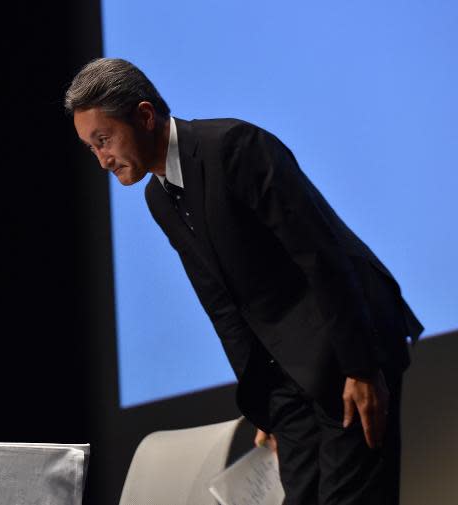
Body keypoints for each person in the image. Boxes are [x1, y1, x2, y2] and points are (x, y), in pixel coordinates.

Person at [65, 58, 422, 505]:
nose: (101, 159)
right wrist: (266, 406)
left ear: (144, 115)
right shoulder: (159, 198)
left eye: (104, 139)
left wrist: (362, 367)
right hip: (292, 374)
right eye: (90, 148)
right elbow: (223, 307)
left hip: (352, 344)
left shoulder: (233, 147)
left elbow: (321, 256)